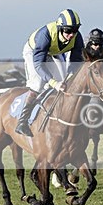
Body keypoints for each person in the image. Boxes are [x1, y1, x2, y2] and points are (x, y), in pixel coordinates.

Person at [16, 9, 85, 137]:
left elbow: (76, 61)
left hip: (54, 53)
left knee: (64, 82)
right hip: (35, 53)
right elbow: (38, 65)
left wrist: (68, 77)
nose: (72, 35)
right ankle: (22, 122)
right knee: (38, 84)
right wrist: (54, 83)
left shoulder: (77, 37)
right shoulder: (45, 35)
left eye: (75, 30)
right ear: (60, 28)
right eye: (68, 31)